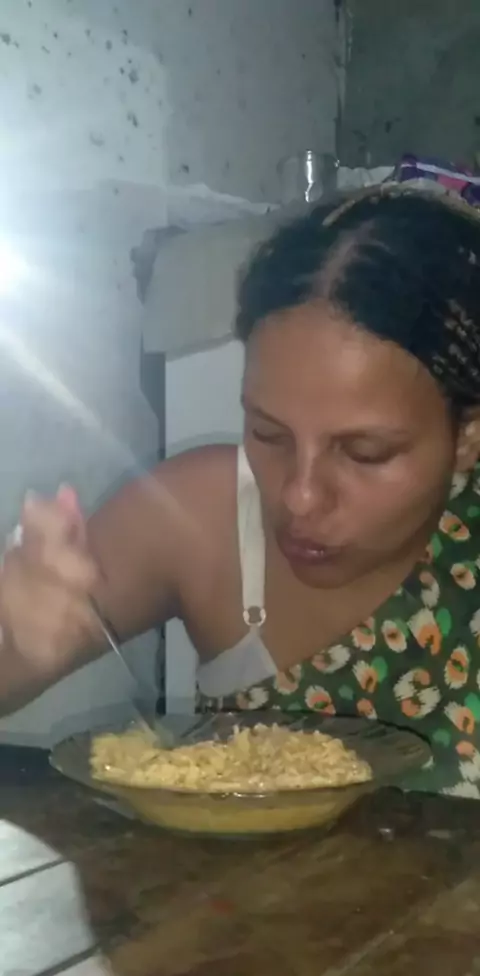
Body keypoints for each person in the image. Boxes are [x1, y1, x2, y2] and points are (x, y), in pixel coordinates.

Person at [2, 186, 480, 798]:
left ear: (467, 437)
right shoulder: (195, 518)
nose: (299, 497)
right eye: (268, 433)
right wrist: (15, 645)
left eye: (364, 453)